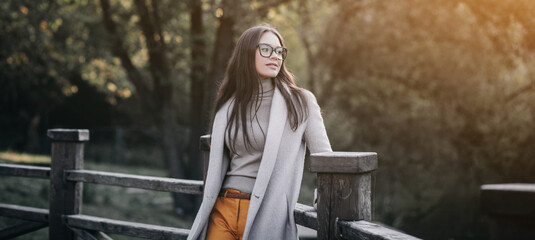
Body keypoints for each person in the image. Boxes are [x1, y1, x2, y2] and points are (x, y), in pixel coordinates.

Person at [187, 24, 332, 240]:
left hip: (266, 212)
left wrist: (323, 200)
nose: (275, 56)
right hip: (223, 209)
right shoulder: (230, 103)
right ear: (246, 53)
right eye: (266, 49)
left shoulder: (300, 101)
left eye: (279, 51)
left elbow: (325, 157)